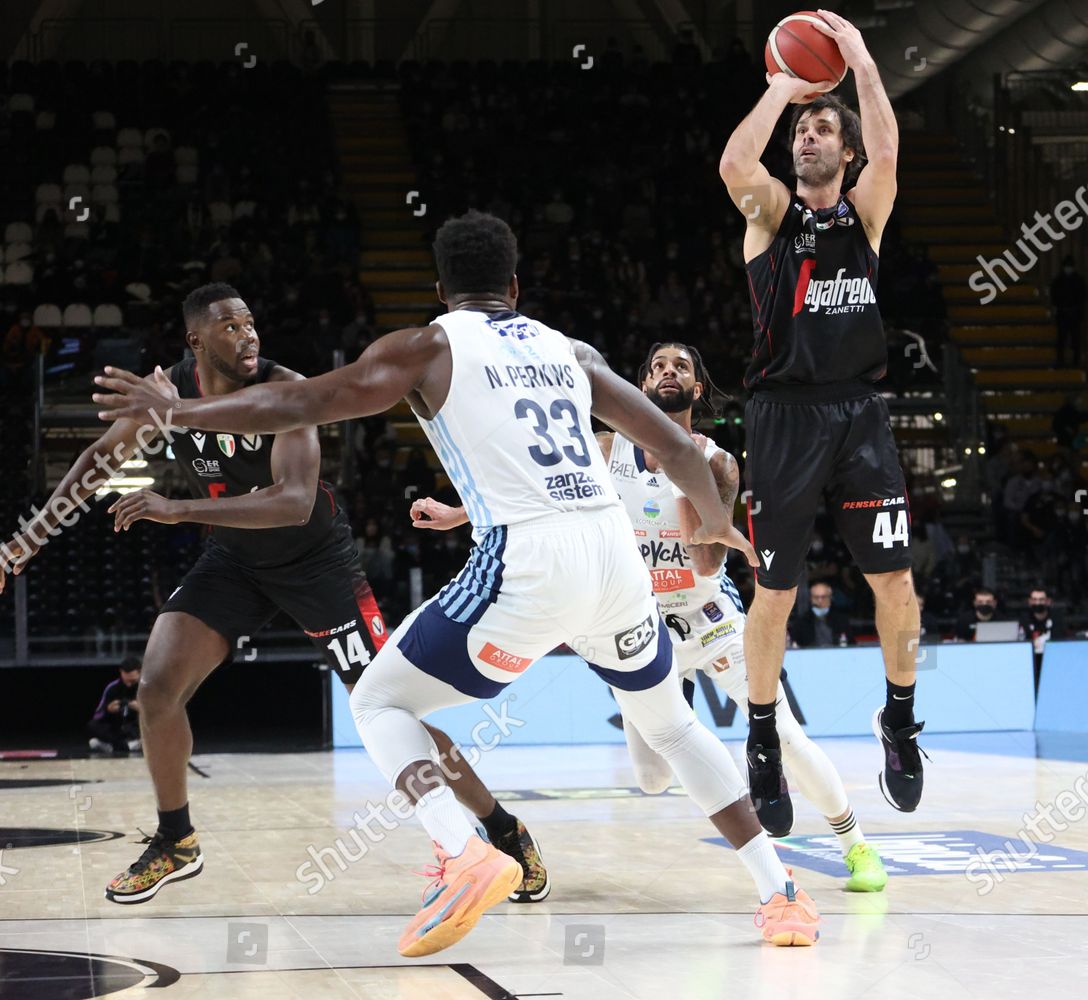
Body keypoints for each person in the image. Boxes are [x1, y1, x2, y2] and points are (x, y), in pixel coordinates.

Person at [93, 212, 821, 950]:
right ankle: (782, 894)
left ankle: (463, 853)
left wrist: (180, 409)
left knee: (380, 700)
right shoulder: (566, 348)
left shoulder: (427, 346)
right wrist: (713, 524)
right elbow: (672, 444)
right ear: (514, 285)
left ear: (440, 289)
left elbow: (302, 401)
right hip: (612, 556)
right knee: (671, 725)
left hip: (527, 563)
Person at [2, 282, 539, 907]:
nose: (248, 335)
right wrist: (25, 542)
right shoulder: (170, 391)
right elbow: (99, 459)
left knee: (395, 714)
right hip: (233, 560)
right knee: (155, 688)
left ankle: (502, 829)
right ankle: (176, 840)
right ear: (196, 340)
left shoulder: (290, 392)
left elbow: (292, 503)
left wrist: (175, 508)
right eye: (230, 327)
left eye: (251, 323)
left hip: (317, 565)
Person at [410, 341, 889, 892]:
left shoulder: (716, 462)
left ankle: (855, 847)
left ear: (697, 388)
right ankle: (709, 744)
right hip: (635, 627)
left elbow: (708, 559)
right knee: (653, 778)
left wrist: (691, 495)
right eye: (658, 366)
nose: (668, 372)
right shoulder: (602, 449)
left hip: (710, 618)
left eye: (681, 366)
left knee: (786, 733)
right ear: (640, 386)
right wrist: (456, 513)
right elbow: (534, 489)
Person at [718, 10, 924, 834]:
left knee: (896, 583)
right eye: (802, 129)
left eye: (822, 127)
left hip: (859, 415)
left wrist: (862, 61)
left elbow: (891, 144)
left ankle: (900, 723)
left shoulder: (864, 216)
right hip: (782, 418)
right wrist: (782, 86)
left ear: (845, 153)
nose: (808, 136)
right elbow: (737, 159)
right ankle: (763, 740)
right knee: (776, 590)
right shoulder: (769, 215)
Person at [88, 655, 142, 754]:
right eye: (126, 680)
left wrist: (140, 709)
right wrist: (108, 710)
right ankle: (127, 746)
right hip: (117, 729)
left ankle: (114, 746)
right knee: (93, 725)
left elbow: (158, 713)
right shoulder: (112, 688)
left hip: (135, 727)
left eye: (132, 681)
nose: (129, 685)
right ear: (121, 672)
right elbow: (98, 715)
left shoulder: (145, 689)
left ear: (140, 673)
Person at [790, 581, 852, 648]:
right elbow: (794, 646)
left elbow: (851, 645)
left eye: (824, 597)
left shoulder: (842, 621)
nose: (820, 601)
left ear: (830, 598)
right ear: (810, 599)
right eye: (816, 597)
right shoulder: (800, 623)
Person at [1050, 256, 1087, 368]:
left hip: (1075, 313)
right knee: (1061, 339)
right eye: (1067, 266)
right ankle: (1060, 360)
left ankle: (1076, 361)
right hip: (1063, 314)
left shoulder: (1079, 281)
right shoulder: (1058, 281)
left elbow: (1084, 297)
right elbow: (1054, 296)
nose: (1068, 268)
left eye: (1070, 266)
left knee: (1076, 339)